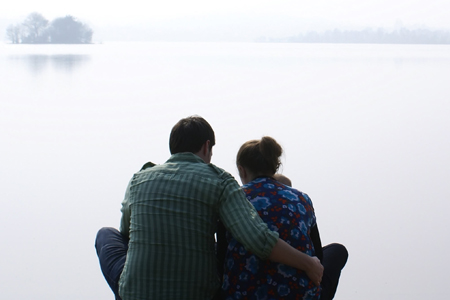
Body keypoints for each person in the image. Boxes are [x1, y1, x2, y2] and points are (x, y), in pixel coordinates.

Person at [95, 116, 323, 300]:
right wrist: (308, 263)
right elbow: (259, 240)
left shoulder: (140, 178)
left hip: (136, 293)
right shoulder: (220, 181)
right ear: (206, 147)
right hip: (198, 293)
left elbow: (125, 232)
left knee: (106, 234)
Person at [221, 136, 348, 300]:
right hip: (298, 294)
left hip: (244, 294)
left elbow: (221, 256)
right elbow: (317, 254)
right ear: (274, 167)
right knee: (337, 251)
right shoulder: (302, 199)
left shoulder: (233, 199)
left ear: (242, 170)